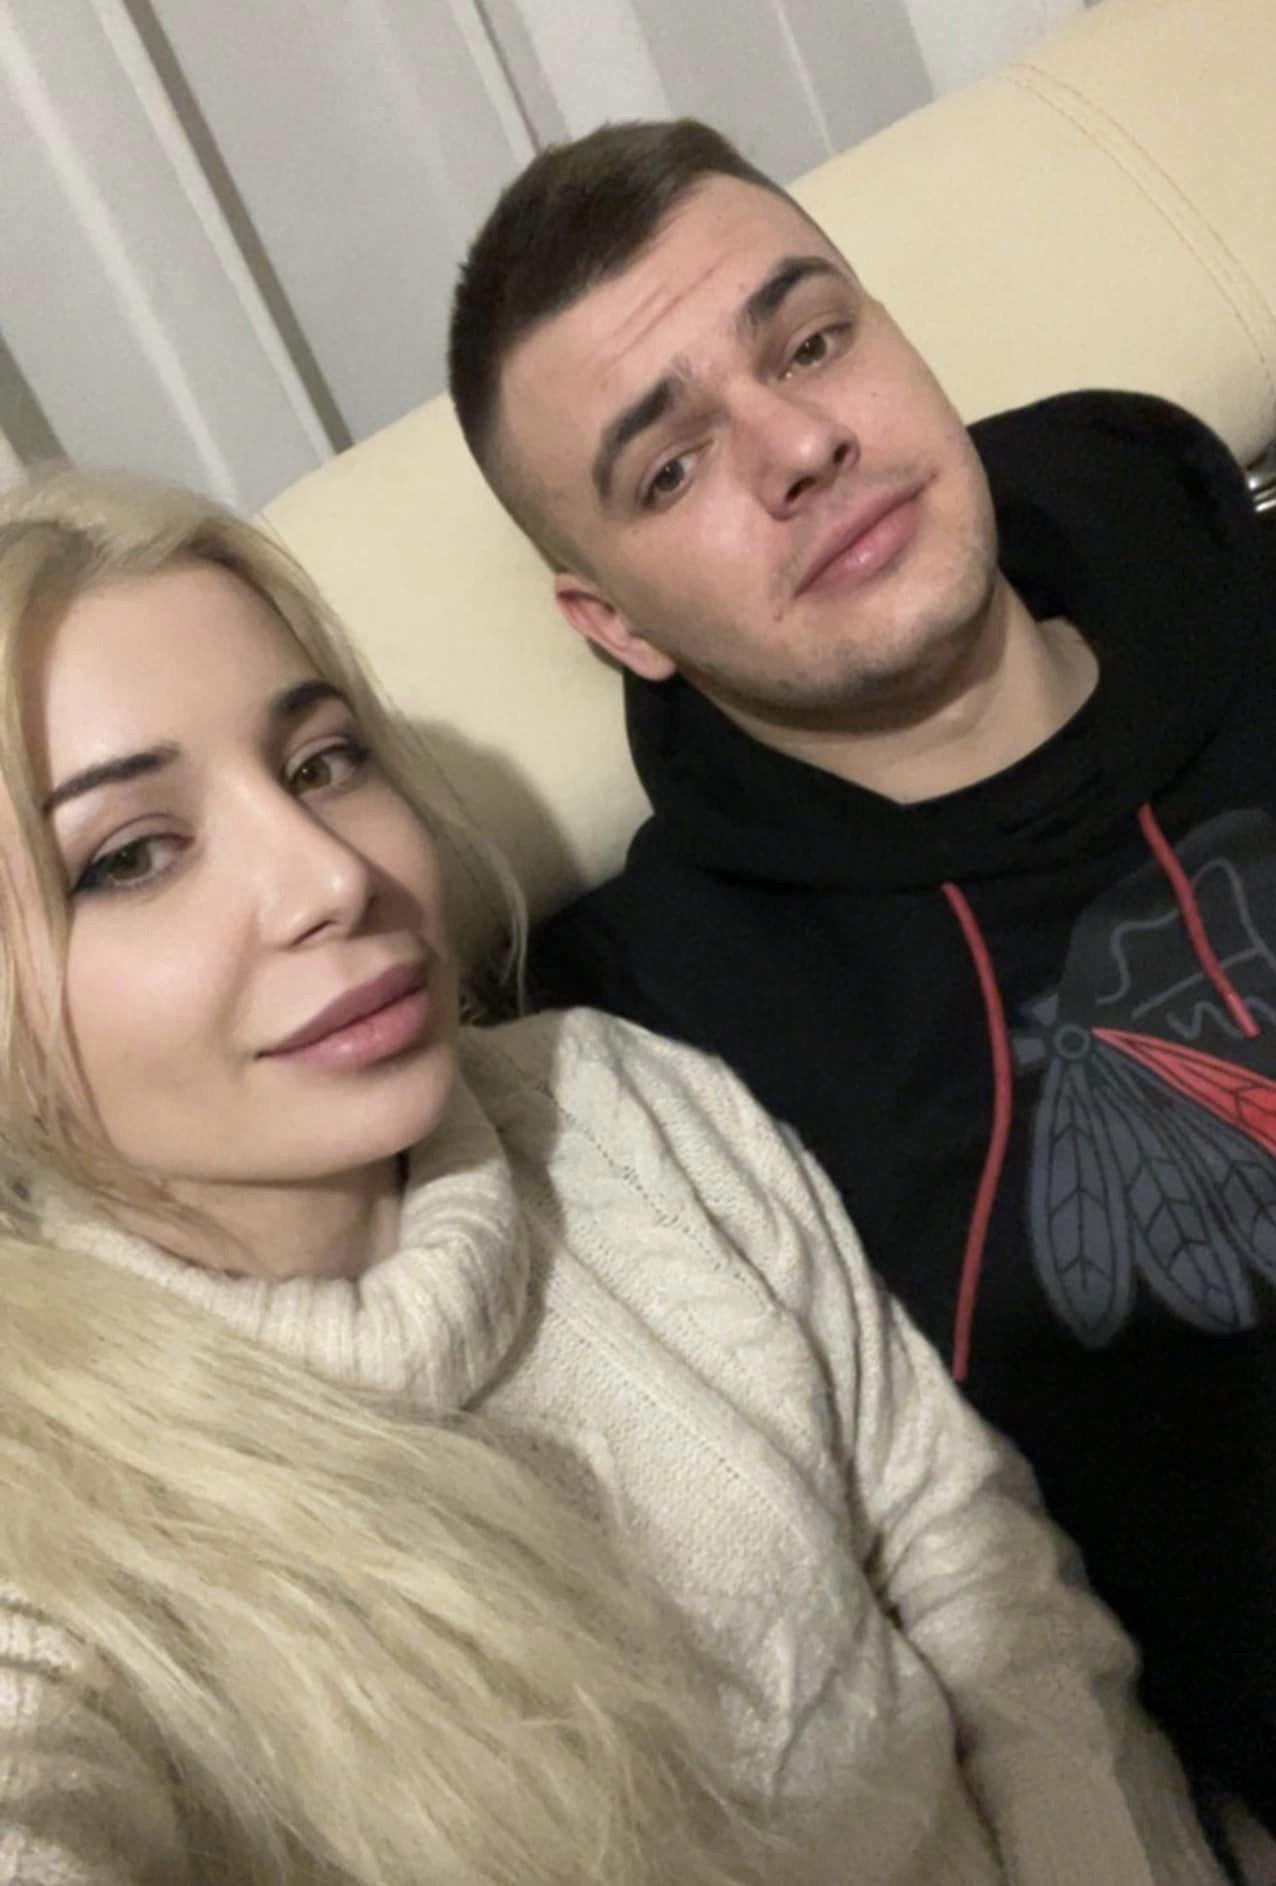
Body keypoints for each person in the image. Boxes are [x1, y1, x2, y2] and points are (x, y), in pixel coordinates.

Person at [0, 467, 1223, 1884]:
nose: (330, 876)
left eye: (323, 762)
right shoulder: (50, 1529)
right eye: (133, 856)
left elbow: (972, 1560)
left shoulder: (615, 1100)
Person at [446, 119, 1276, 1834]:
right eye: (670, 468)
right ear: (615, 624)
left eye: (813, 342)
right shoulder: (649, 1050)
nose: (801, 445)